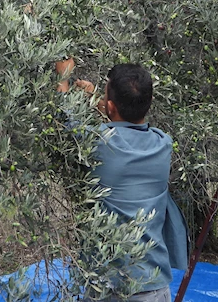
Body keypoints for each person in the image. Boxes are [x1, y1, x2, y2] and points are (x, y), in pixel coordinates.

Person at [72, 64, 188, 301]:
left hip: (108, 288)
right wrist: (100, 97)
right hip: (152, 285)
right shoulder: (163, 143)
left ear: (110, 106)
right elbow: (128, 125)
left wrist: (64, 78)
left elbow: (67, 120)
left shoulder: (98, 143)